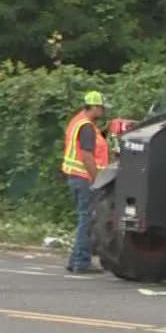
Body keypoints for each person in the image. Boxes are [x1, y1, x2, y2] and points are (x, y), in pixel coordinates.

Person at [60, 90, 110, 274]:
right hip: (84, 178)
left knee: (84, 217)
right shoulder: (87, 127)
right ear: (94, 108)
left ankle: (75, 260)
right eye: (102, 108)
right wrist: (97, 180)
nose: (104, 112)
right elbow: (87, 156)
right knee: (87, 219)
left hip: (74, 177)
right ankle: (82, 261)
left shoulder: (78, 121)